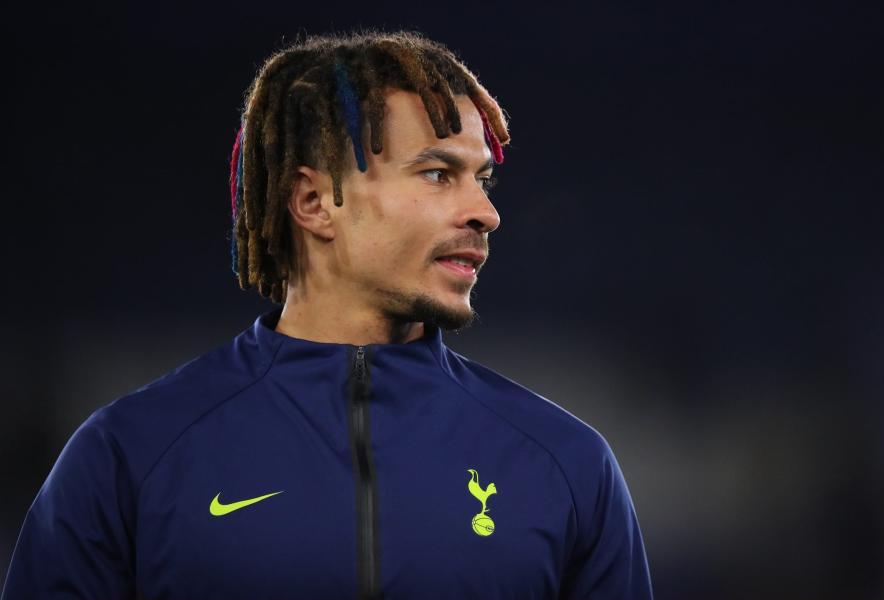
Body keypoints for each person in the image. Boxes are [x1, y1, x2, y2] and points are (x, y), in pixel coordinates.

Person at [1, 30, 653, 600]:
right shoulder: (129, 455)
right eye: (436, 174)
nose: (485, 213)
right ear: (314, 202)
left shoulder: (566, 464)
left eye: (482, 179)